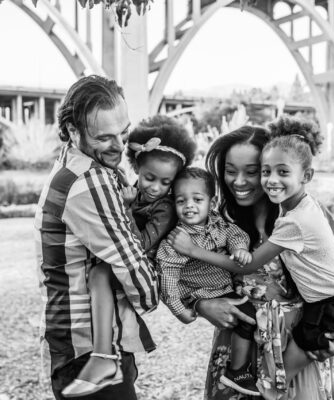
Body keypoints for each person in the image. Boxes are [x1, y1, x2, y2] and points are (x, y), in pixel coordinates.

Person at [167, 125, 334, 400]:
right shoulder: (216, 221)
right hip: (237, 347)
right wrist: (202, 304)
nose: (239, 182)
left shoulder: (308, 216)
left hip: (296, 346)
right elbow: (176, 268)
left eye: (252, 171)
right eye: (230, 171)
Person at [34, 75, 158, 400]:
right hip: (89, 351)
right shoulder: (90, 181)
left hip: (70, 343)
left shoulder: (69, 166)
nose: (119, 147)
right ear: (73, 131)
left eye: (124, 133)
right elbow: (138, 278)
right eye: (104, 137)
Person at [60, 115, 197, 397]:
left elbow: (142, 242)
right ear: (137, 166)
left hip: (150, 263)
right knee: (97, 276)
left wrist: (125, 208)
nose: (155, 188)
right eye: (149, 178)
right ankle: (104, 355)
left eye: (165, 182)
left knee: (99, 274)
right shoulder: (128, 188)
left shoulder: (164, 208)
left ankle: (103, 357)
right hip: (131, 258)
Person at [157, 167, 260, 396]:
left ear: (211, 202)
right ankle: (237, 371)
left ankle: (242, 368)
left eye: (197, 199)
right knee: (250, 318)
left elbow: (235, 235)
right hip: (204, 293)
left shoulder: (218, 224)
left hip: (224, 288)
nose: (189, 206)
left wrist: (240, 248)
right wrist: (178, 310)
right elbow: (167, 278)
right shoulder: (176, 239)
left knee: (249, 320)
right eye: (181, 201)